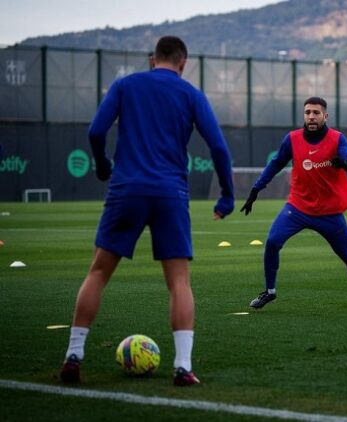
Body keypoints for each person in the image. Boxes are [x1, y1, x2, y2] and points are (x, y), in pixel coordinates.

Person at [59, 36, 234, 386]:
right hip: (170, 193)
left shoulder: (126, 85)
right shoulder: (191, 94)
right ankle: (183, 367)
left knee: (98, 273)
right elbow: (218, 146)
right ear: (183, 62)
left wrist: (102, 164)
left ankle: (74, 355)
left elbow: (95, 131)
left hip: (126, 191)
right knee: (179, 282)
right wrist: (227, 195)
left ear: (153, 59)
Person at [240, 96, 347, 310]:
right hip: (297, 208)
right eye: (307, 112)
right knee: (273, 241)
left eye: (316, 112)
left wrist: (343, 162)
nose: (311, 116)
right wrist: (256, 188)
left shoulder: (337, 138)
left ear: (325, 116)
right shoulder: (292, 139)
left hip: (328, 212)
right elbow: (275, 164)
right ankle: (270, 292)